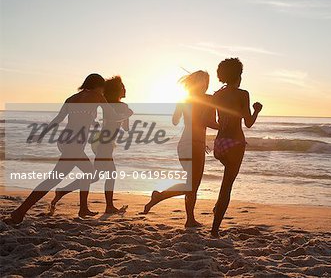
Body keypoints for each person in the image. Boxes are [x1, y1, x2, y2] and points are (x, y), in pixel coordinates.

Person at [5, 74, 115, 224]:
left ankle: (83, 208)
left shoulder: (71, 98)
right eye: (103, 88)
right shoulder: (97, 95)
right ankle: (19, 212)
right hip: (75, 143)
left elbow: (57, 119)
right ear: (99, 86)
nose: (103, 91)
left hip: (64, 141)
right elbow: (112, 114)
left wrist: (41, 134)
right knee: (57, 178)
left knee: (85, 173)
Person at [140, 70, 218, 228]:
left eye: (206, 81)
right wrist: (228, 129)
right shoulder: (208, 100)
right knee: (192, 185)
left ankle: (185, 216)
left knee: (191, 184)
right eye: (203, 81)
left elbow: (175, 121)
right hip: (193, 144)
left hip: (187, 144)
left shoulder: (186, 99)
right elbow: (210, 123)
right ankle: (164, 200)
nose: (205, 84)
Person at [49, 76, 133, 215]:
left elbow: (125, 128)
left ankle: (64, 192)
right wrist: (126, 114)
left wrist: (126, 115)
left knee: (100, 175)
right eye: (122, 87)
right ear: (117, 90)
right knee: (101, 174)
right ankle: (106, 206)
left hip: (104, 141)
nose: (125, 89)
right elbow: (121, 125)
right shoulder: (114, 105)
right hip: (104, 142)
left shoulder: (112, 104)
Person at [211, 58, 262, 237]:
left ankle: (218, 207)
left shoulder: (217, 95)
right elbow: (248, 123)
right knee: (226, 186)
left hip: (219, 144)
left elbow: (217, 121)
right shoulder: (243, 94)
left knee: (226, 177)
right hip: (235, 143)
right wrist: (257, 110)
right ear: (238, 75)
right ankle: (215, 230)